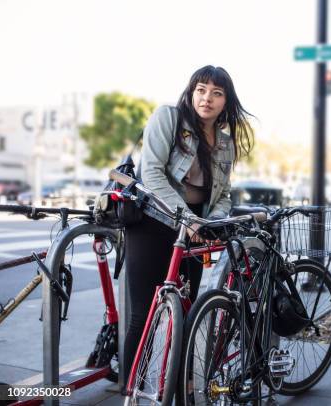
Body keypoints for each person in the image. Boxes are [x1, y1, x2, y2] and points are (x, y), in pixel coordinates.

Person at [123, 66, 254, 378]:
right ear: (191, 91)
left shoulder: (225, 144)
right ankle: (132, 390)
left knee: (187, 313)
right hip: (153, 222)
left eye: (216, 92)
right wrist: (188, 219)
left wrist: (211, 224)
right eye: (201, 89)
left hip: (194, 235)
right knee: (143, 316)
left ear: (226, 101)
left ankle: (182, 388)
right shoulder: (168, 118)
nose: (207, 97)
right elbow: (151, 173)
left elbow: (222, 196)